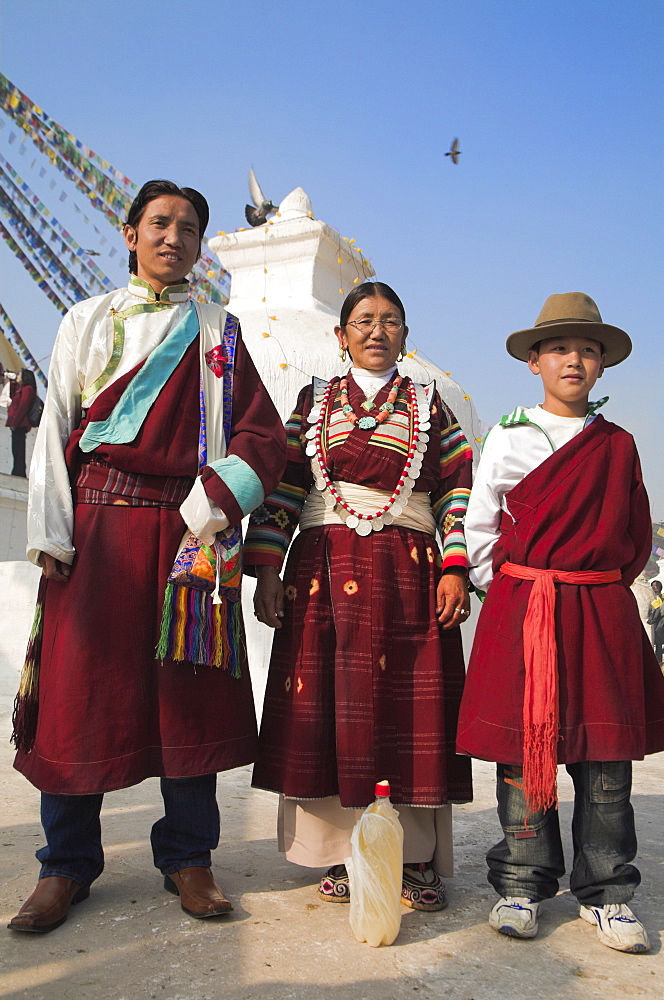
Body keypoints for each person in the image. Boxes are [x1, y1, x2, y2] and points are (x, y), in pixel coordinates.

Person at [8, 180, 286, 934]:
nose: (174, 237)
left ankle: (189, 859)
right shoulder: (86, 319)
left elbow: (266, 438)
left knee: (184, 697)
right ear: (130, 233)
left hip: (188, 543)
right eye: (159, 223)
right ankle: (64, 866)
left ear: (201, 245)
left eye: (189, 228)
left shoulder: (220, 333)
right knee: (78, 698)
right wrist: (52, 536)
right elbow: (55, 430)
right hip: (95, 532)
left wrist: (216, 502)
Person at [245, 281, 473, 912]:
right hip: (322, 572)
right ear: (340, 333)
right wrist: (266, 570)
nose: (378, 332)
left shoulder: (432, 404)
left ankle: (416, 856)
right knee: (330, 702)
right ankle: (344, 851)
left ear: (405, 334)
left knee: (410, 709)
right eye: (364, 321)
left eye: (392, 322)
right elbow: (285, 486)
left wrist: (455, 569)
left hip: (409, 574)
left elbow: (456, 491)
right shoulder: (312, 402)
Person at [457, 292, 664, 953]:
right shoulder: (508, 438)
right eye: (559, 349)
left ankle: (607, 891)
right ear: (534, 363)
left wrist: (592, 587)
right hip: (524, 610)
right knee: (526, 756)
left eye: (587, 349)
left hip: (599, 608)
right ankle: (522, 883)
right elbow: (481, 525)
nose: (573, 359)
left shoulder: (619, 445)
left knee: (606, 760)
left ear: (602, 366)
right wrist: (514, 593)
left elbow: (634, 536)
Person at [6, 367, 37, 477]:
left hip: (20, 423)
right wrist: (12, 382)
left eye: (19, 375)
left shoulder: (28, 389)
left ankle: (19, 471)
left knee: (19, 449)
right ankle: (17, 470)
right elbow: (12, 396)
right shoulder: (22, 389)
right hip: (17, 422)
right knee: (16, 448)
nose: (17, 376)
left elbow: (23, 407)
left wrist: (15, 423)